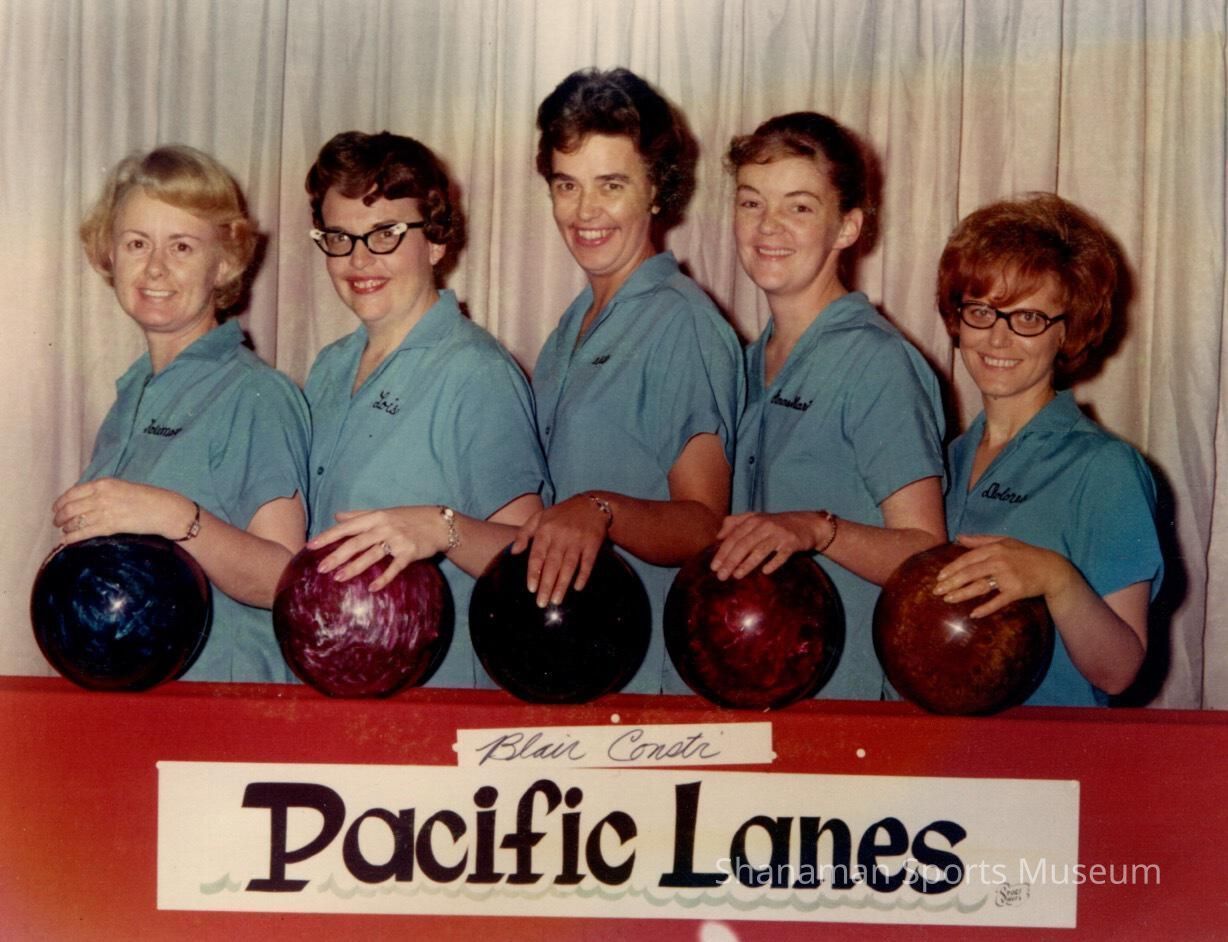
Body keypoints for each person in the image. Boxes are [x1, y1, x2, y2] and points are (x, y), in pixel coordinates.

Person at [514, 68, 744, 694]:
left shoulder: (681, 322)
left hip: (650, 674)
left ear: (656, 190)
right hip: (574, 658)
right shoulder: (572, 325)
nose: (584, 211)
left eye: (610, 185)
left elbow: (704, 524)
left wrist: (601, 509)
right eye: (567, 185)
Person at [710, 112, 947, 700]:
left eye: (799, 207)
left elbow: (927, 555)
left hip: (851, 700)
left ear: (847, 228)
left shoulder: (877, 362)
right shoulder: (746, 360)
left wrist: (818, 530)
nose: (768, 226)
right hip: (761, 688)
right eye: (751, 202)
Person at [302, 131, 547, 688]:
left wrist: (443, 528)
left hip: (436, 691)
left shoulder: (477, 372)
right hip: (334, 682)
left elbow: (528, 564)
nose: (359, 259)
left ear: (436, 240)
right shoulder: (329, 367)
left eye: (385, 234)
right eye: (339, 237)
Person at [58, 145, 310, 681]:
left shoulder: (255, 394)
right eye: (137, 243)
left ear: (224, 263)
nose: (155, 267)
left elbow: (285, 579)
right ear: (109, 254)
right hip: (137, 699)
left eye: (182, 246)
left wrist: (177, 517)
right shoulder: (134, 393)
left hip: (224, 705)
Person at [930, 193, 1162, 706]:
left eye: (1029, 318)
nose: (998, 338)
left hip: (1046, 748)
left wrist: (1057, 579)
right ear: (957, 318)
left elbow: (1119, 671)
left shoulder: (1104, 469)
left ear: (1067, 332)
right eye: (981, 311)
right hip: (942, 742)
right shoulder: (945, 460)